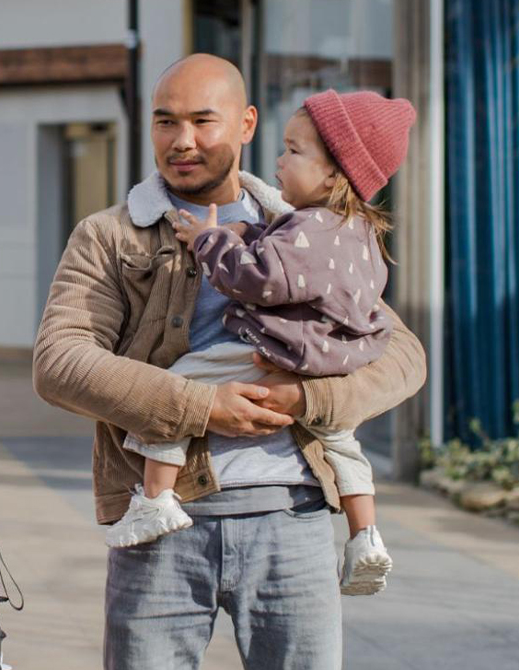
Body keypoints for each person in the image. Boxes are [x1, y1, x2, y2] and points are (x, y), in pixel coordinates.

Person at [33, 53, 426, 670]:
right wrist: (199, 407)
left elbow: (403, 355)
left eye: (202, 121)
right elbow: (58, 362)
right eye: (165, 121)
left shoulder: (307, 227)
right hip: (160, 533)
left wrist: (308, 403)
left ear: (244, 125)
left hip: (294, 523)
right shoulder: (112, 236)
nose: (182, 140)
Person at [106, 89, 416, 598]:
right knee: (344, 441)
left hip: (277, 352)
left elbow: (260, 279)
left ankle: (155, 500)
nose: (279, 159)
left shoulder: (309, 227)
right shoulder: (358, 232)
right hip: (330, 359)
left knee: (177, 386)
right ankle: (365, 536)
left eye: (294, 151)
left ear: (336, 174)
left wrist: (210, 241)